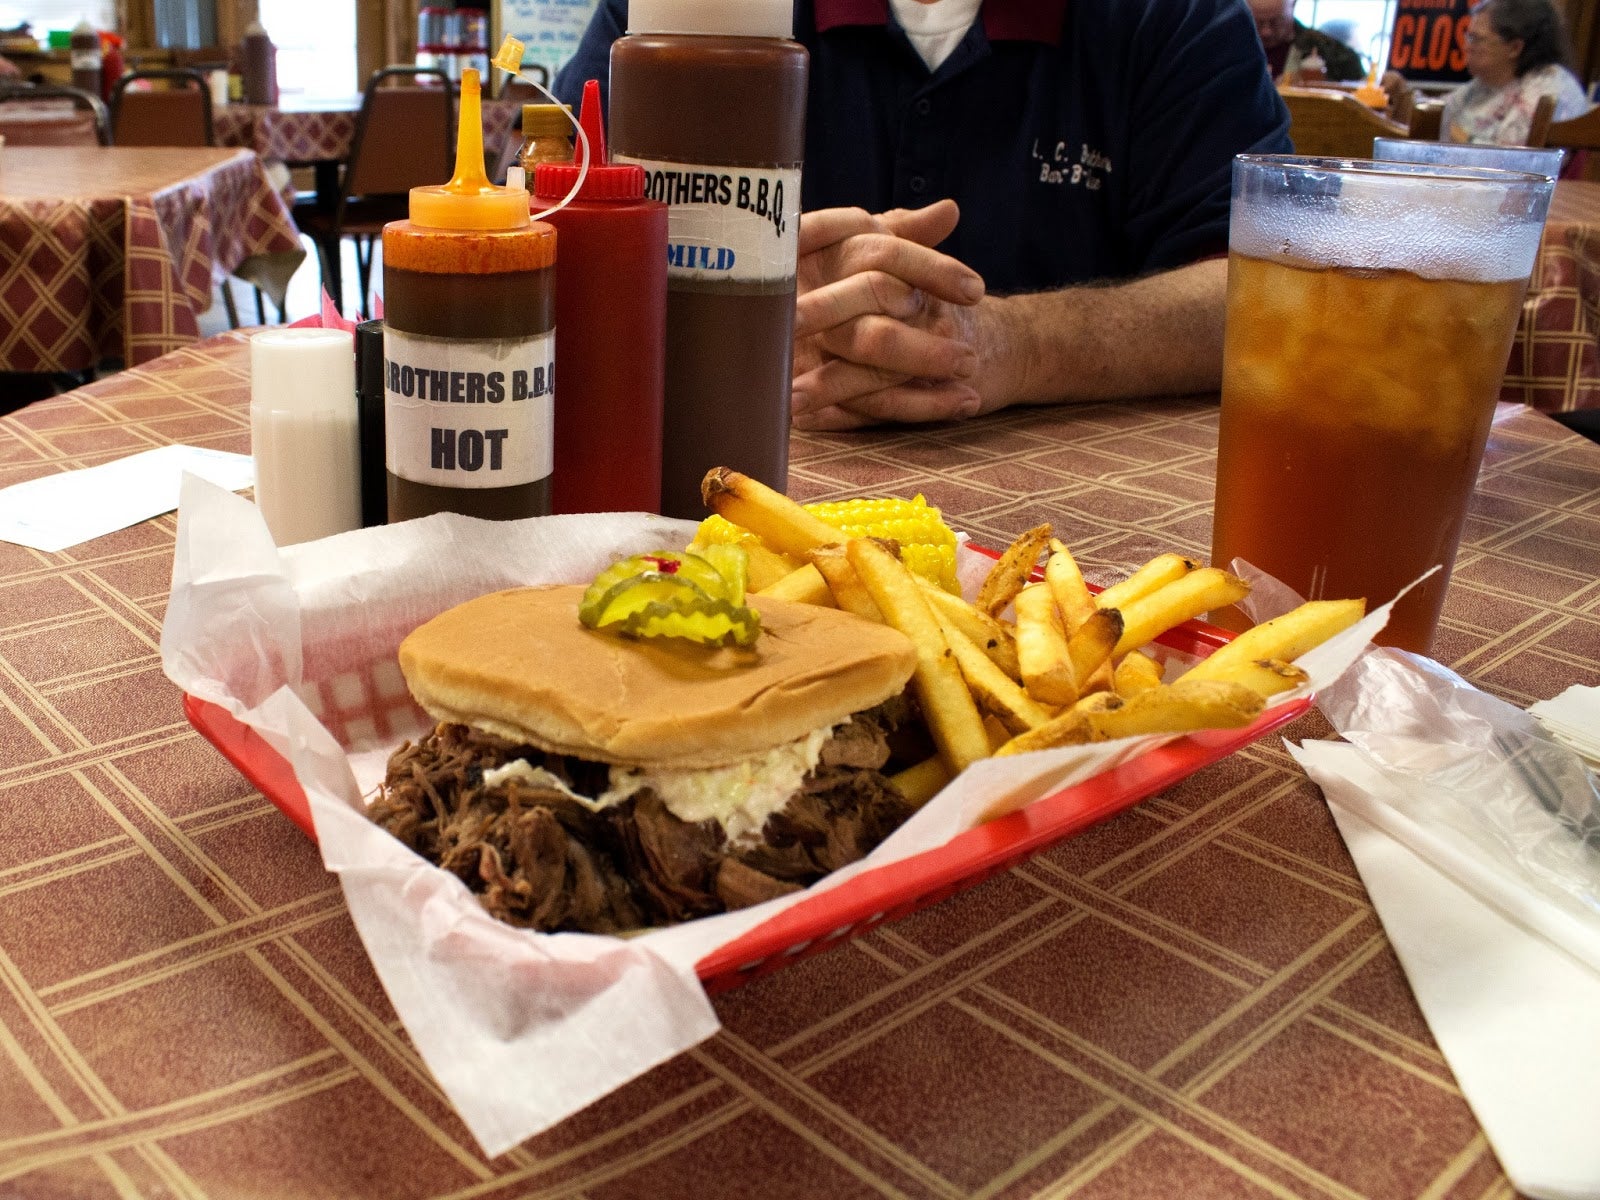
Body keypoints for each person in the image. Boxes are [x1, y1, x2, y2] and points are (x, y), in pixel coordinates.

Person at [555, 0, 1290, 430]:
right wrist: (743, 304)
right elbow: (540, 222)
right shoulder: (665, 12)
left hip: (1080, 533)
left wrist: (1012, 343)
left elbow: (1268, 298)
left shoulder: (1176, 16)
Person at [1440, 0, 1589, 144]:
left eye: (1475, 39)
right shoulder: (1487, 82)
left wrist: (1447, 128)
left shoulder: (1547, 89)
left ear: (1514, 48)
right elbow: (1437, 109)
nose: (1466, 47)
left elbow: (1513, 162)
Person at [1247, 0, 1367, 83]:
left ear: (1293, 5)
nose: (1266, 32)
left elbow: (1359, 94)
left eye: (1276, 22)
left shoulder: (1329, 52)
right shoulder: (1231, 46)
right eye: (1257, 22)